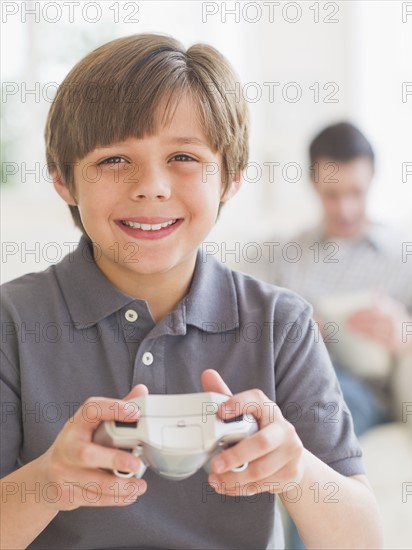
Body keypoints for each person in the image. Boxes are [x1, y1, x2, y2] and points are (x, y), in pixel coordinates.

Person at [0, 35, 382, 549]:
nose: (152, 186)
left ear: (230, 178)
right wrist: (46, 484)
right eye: (114, 159)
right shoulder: (12, 322)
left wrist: (296, 472)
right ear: (64, 181)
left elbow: (362, 540)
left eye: (183, 156)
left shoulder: (281, 324)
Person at [248, 122, 412, 550]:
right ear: (314, 183)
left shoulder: (400, 255)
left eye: (357, 192)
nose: (346, 207)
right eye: (333, 195)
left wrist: (409, 330)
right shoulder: (287, 258)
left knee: (316, 419)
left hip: (355, 393)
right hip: (287, 386)